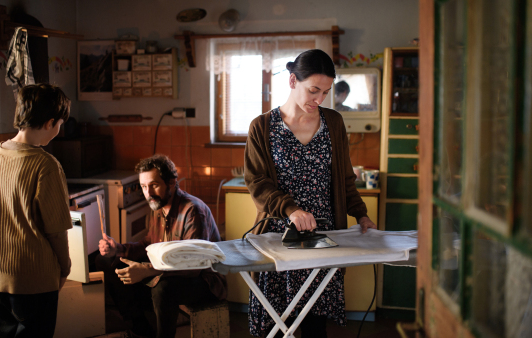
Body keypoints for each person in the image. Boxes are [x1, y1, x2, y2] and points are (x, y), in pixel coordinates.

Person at [244, 49, 376, 338]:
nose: (319, 100)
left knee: (315, 325)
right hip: (279, 236)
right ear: (293, 81)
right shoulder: (262, 127)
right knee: (276, 324)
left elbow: (343, 178)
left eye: (326, 92)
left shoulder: (334, 122)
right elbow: (257, 182)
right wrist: (291, 209)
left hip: (324, 236)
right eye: (313, 90)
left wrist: (361, 214)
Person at [97, 154, 227, 338]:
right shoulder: (157, 206)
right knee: (106, 260)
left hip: (204, 281)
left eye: (154, 185)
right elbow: (149, 244)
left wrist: (147, 270)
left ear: (172, 183)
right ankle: (140, 329)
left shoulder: (193, 210)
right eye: (143, 187)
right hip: (169, 272)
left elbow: (194, 265)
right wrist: (117, 249)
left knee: (163, 288)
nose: (148, 193)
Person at [0, 83, 72, 337]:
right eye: (58, 125)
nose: (57, 131)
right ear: (49, 123)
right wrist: (64, 268)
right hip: (34, 277)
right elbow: (56, 231)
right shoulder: (46, 165)